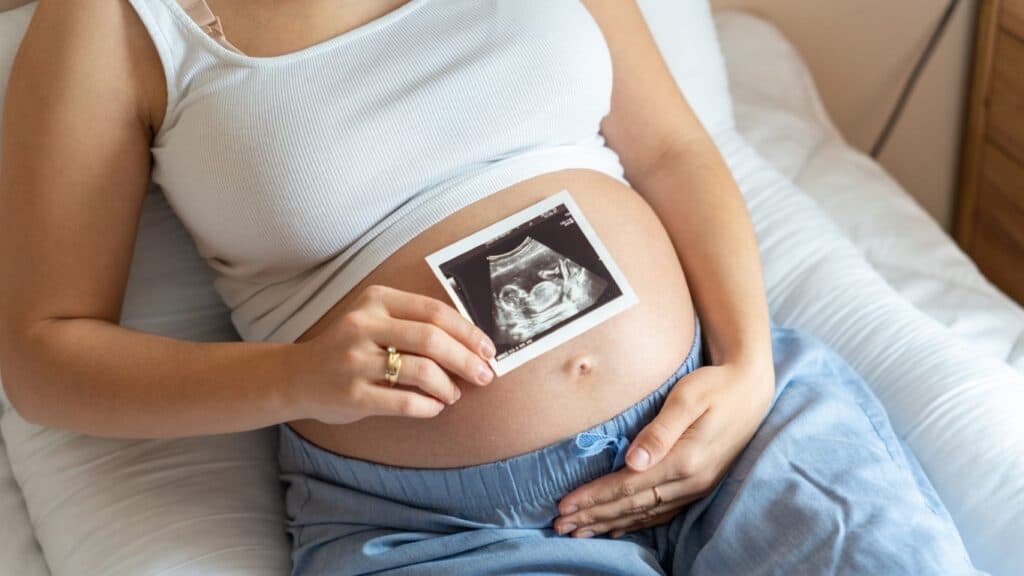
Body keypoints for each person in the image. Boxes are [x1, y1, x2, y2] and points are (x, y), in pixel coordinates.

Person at [0, 1, 980, 574]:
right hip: (441, 527)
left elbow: (677, 150)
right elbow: (45, 352)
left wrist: (751, 368)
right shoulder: (116, 23)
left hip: (723, 409)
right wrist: (293, 375)